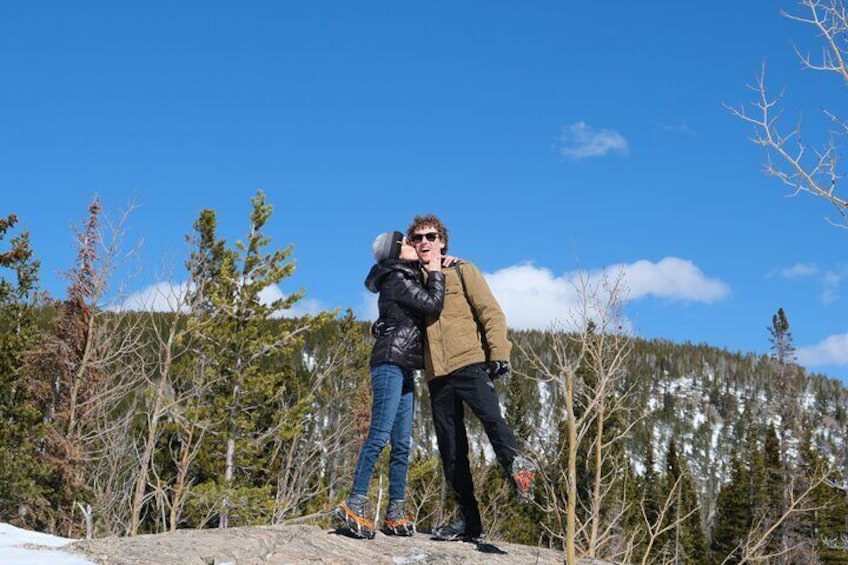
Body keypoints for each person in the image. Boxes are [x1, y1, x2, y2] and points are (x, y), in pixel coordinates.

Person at [406, 214, 536, 542]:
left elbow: (490, 312)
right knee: (452, 451)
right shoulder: (411, 281)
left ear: (443, 241)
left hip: (470, 364)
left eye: (431, 237)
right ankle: (470, 523)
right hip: (437, 375)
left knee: (493, 420)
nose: (425, 242)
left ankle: (519, 470)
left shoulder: (463, 270)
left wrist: (499, 354)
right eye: (418, 238)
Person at [332, 230, 445, 539]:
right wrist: (435, 271)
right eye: (407, 242)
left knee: (402, 443)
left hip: (404, 364)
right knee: (380, 436)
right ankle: (354, 501)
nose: (414, 244)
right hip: (389, 362)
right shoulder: (397, 277)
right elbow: (432, 304)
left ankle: (395, 512)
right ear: (396, 251)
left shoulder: (403, 276)